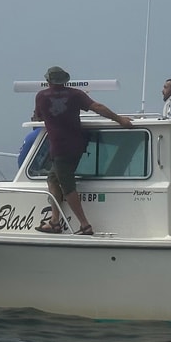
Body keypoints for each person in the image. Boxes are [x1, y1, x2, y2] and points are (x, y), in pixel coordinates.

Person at [33, 65, 134, 235]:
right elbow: (98, 107)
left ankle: (85, 225)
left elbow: (38, 116)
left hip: (59, 148)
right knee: (52, 179)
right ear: (65, 80)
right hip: (77, 145)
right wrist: (119, 119)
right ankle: (54, 221)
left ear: (48, 80)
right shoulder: (75, 94)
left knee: (67, 186)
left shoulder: (41, 97)